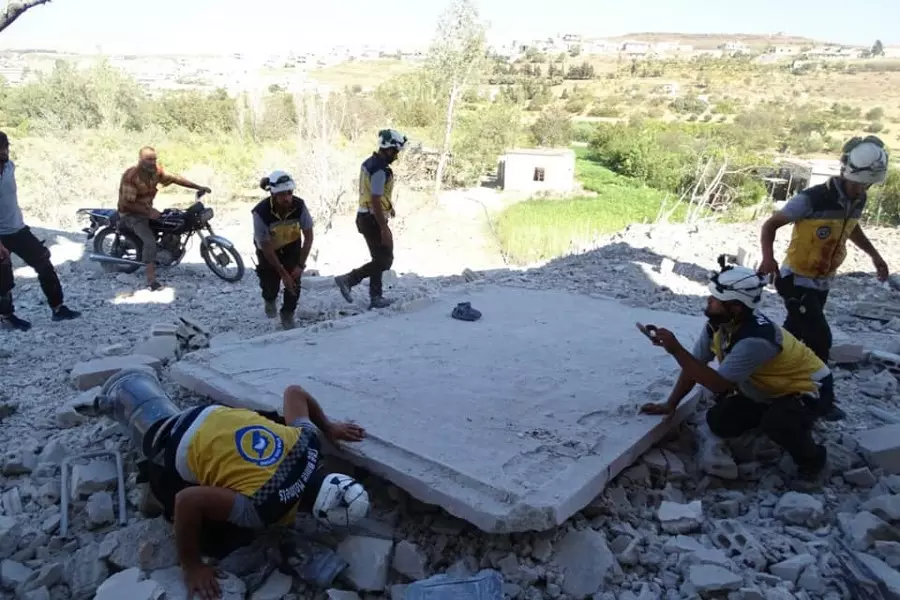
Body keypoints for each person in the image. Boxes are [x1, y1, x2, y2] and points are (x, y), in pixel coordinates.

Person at [134, 382, 368, 600]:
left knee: (277, 423)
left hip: (208, 415)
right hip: (170, 447)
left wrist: (328, 427)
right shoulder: (262, 508)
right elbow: (186, 501)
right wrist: (192, 566)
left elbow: (294, 392)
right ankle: (153, 493)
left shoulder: (309, 441)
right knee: (226, 539)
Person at [639, 258, 834, 482]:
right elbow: (696, 365)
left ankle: (813, 461)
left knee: (779, 423)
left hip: (810, 389)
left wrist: (676, 350)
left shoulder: (755, 341)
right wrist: (671, 404)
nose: (709, 300)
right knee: (720, 421)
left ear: (736, 307)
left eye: (716, 299)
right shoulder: (718, 324)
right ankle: (773, 416)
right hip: (770, 391)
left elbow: (718, 384)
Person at [758, 135, 889, 421]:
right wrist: (768, 259)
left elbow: (852, 228)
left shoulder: (858, 200)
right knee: (820, 339)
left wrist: (875, 255)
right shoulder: (812, 199)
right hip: (796, 280)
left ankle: (768, 379)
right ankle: (821, 401)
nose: (862, 189)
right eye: (859, 183)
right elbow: (770, 225)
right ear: (846, 172)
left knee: (793, 332)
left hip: (822, 282)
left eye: (867, 185)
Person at [0, 131, 81, 331]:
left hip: (18, 229)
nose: (5, 152)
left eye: (6, 147)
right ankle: (6, 317)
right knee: (3, 276)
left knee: (44, 262)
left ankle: (58, 308)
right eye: (1, 149)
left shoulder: (10, 166)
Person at [334, 128, 408, 310]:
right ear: (388, 149)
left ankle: (376, 296)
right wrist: (383, 228)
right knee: (384, 260)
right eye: (395, 152)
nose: (396, 156)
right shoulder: (380, 170)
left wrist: (388, 207)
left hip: (367, 216)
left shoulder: (370, 163)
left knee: (379, 258)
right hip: (372, 219)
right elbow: (375, 198)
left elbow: (376, 195)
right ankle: (349, 280)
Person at [118, 146, 211, 291]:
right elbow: (127, 204)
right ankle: (151, 280)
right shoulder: (131, 177)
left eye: (154, 159)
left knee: (172, 222)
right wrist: (148, 211)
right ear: (140, 159)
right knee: (150, 242)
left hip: (146, 210)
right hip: (131, 214)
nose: (152, 162)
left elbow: (175, 178)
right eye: (148, 159)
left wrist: (198, 187)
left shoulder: (155, 171)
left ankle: (166, 250)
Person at [251, 171, 314, 330]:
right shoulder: (260, 213)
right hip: (268, 251)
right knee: (270, 283)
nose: (287, 198)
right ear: (273, 194)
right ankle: (269, 299)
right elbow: (265, 246)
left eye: (289, 193)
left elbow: (308, 237)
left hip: (291, 246)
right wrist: (282, 273)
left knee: (294, 282)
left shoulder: (299, 206)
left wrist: (300, 266)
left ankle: (288, 313)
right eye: (281, 194)